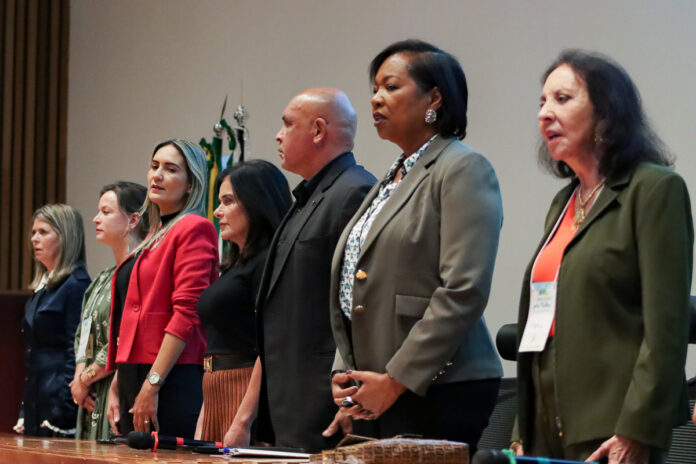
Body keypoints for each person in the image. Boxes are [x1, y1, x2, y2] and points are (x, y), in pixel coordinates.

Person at [324, 39, 503, 454]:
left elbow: (463, 289)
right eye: (374, 90)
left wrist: (395, 380)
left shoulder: (462, 167)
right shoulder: (393, 177)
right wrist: (346, 374)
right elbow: (358, 287)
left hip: (440, 387)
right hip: (379, 387)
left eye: (390, 87)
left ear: (434, 98)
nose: (376, 99)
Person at [513, 50, 693, 464]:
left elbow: (666, 326)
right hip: (545, 426)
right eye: (542, 102)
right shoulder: (563, 203)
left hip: (612, 426)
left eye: (562, 99)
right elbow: (541, 323)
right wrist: (523, 428)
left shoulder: (654, 190)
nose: (544, 114)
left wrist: (635, 429)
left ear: (606, 115)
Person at [246, 88, 375, 452]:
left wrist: (349, 397)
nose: (278, 135)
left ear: (318, 130)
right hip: (290, 399)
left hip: (324, 401)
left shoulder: (354, 192)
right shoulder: (308, 196)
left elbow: (360, 306)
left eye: (287, 124)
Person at [105, 139, 218, 438]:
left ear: (191, 184)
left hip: (170, 374)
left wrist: (153, 383)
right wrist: (118, 379)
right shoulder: (155, 232)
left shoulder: (194, 227)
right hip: (135, 372)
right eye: (154, 166)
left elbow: (187, 312)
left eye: (170, 169)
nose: (157, 175)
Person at [194, 160, 291, 443]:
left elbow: (268, 345)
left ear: (256, 203)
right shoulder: (236, 265)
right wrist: (204, 414)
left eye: (227, 201)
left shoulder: (268, 262)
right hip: (215, 386)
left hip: (244, 388)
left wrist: (243, 419)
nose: (217, 212)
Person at [70, 182, 147, 440]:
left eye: (106, 212)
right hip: (91, 393)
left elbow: (125, 335)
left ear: (133, 220)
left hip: (118, 385)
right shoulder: (102, 279)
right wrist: (79, 377)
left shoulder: (140, 273)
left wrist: (85, 378)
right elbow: (83, 334)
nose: (95, 219)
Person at [16, 204, 91, 436]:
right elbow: (33, 355)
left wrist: (63, 411)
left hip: (59, 404)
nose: (34, 239)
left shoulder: (77, 286)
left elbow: (75, 351)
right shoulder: (44, 287)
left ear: (65, 236)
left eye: (43, 232)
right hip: (37, 401)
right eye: (33, 232)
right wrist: (24, 410)